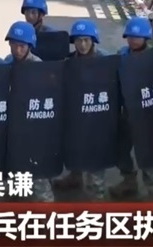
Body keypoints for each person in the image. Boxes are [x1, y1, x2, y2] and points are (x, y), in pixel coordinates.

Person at [53, 19, 109, 200]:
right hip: (76, 115)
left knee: (95, 159)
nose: (82, 44)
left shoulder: (105, 61)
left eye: (86, 40)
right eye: (78, 40)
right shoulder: (68, 62)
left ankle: (98, 197)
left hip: (98, 117)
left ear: (93, 40)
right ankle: (75, 176)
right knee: (74, 148)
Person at [112, 16, 153, 200]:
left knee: (148, 152)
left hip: (147, 114)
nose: (133, 40)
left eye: (137, 37)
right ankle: (128, 180)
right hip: (126, 112)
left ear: (146, 37)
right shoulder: (121, 54)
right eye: (130, 36)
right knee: (120, 147)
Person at [2, 21, 52, 203]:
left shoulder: (39, 67)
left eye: (21, 46)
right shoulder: (7, 62)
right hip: (13, 124)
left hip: (33, 127)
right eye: (13, 45)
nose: (17, 50)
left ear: (30, 46)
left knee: (37, 175)